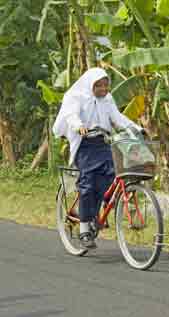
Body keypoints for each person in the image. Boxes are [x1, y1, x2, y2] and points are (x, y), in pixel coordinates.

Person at [53, 68, 143, 249]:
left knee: (110, 178)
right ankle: (84, 228)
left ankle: (93, 213)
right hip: (84, 145)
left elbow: (117, 118)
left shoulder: (107, 99)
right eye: (98, 85)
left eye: (105, 85)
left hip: (103, 144)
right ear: (90, 85)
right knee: (88, 184)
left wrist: (137, 129)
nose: (103, 89)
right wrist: (79, 126)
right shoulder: (76, 96)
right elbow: (70, 115)